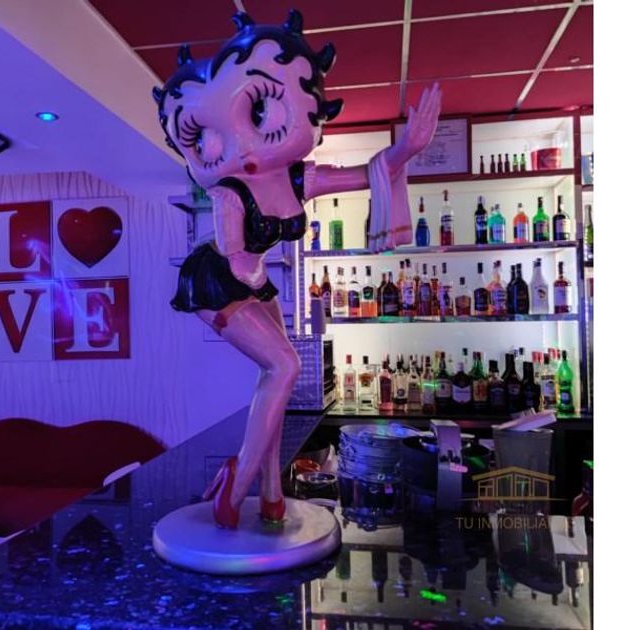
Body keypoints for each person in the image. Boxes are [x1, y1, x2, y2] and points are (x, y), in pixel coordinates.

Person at [153, 10, 441, 528]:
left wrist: (406, 150)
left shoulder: (294, 180)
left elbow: (364, 174)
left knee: (277, 378)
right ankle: (238, 479)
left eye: (258, 111)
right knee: (284, 367)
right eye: (201, 136)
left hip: (253, 280)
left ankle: (271, 492)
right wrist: (256, 280)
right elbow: (235, 255)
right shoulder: (227, 195)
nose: (235, 146)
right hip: (216, 281)